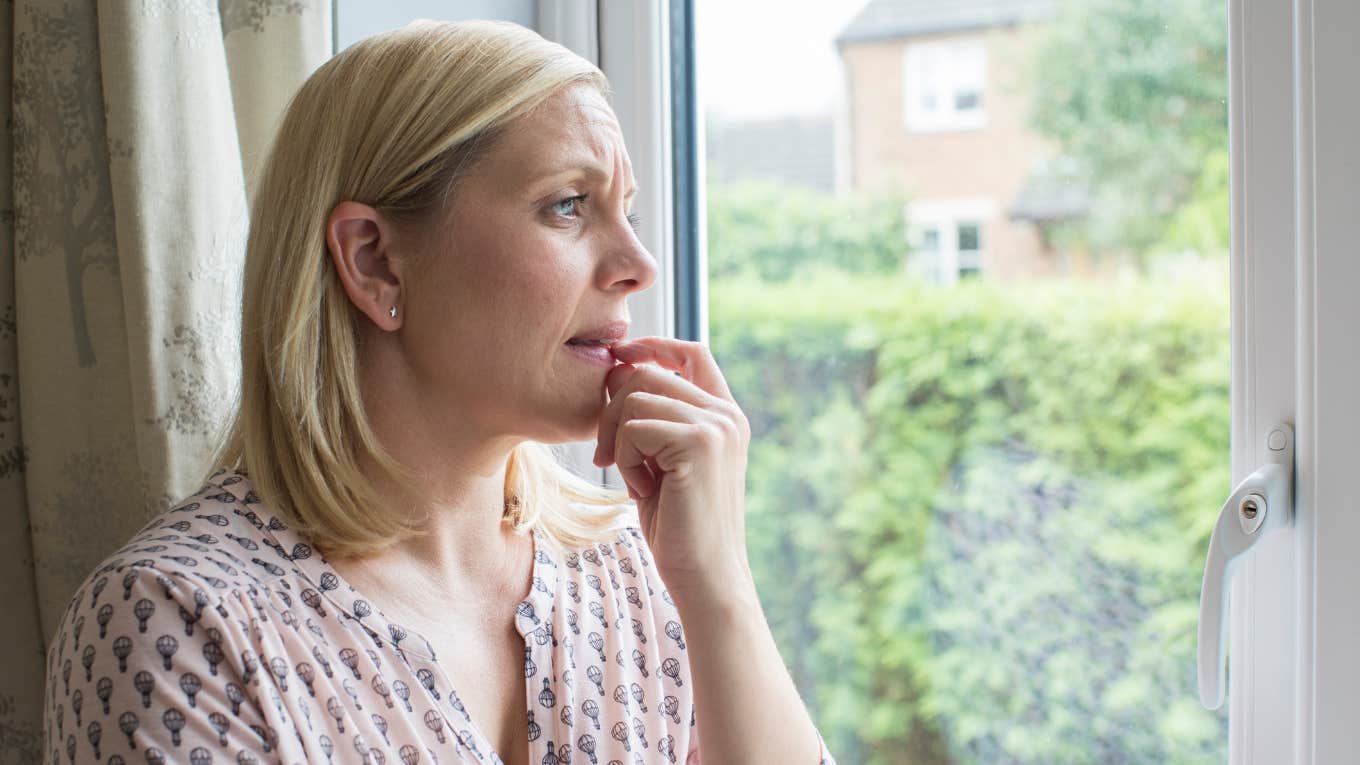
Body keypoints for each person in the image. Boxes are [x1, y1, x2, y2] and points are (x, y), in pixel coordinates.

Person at [42, 19, 837, 765]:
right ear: (375, 261)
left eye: (624, 210)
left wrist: (720, 580)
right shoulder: (176, 622)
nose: (639, 261)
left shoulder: (634, 572)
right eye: (568, 204)